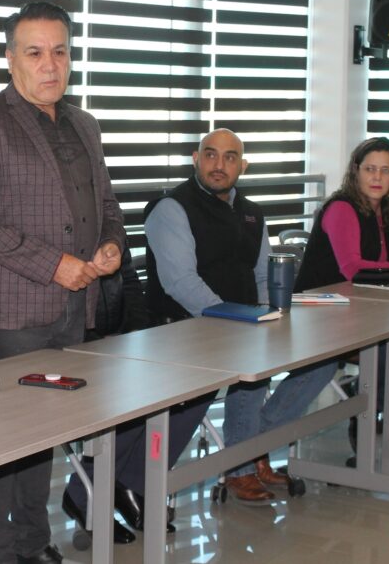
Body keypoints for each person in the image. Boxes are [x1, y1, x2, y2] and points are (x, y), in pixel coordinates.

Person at [0, 1, 125, 564]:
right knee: (7, 446)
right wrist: (54, 264)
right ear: (10, 59)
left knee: (45, 434)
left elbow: (107, 206)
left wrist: (111, 247)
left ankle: (33, 542)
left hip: (77, 308)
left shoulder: (85, 124)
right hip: (13, 312)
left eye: (60, 51)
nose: (50, 65)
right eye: (35, 52)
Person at [144, 129, 338, 504]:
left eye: (230, 157)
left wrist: (271, 317)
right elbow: (181, 283)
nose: (220, 165)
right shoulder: (172, 208)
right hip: (189, 328)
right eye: (211, 155)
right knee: (251, 369)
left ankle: (252, 448)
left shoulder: (252, 212)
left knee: (321, 362)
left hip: (246, 323)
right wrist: (236, 322)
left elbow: (263, 275)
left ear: (242, 166)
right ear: (195, 159)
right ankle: (241, 466)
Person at [295, 136, 389, 446]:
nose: (377, 177)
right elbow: (353, 268)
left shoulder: (388, 209)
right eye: (370, 169)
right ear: (356, 171)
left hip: (364, 308)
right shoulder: (341, 208)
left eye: (386, 171)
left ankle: (365, 399)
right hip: (321, 310)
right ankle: (365, 407)